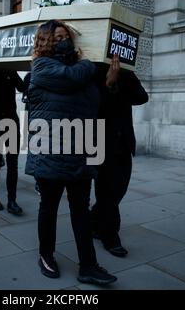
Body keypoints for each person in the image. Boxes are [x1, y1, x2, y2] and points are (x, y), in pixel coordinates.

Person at [25, 20, 117, 286]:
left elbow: (92, 104)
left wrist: (108, 82)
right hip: (51, 150)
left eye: (66, 36)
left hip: (80, 150)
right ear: (45, 41)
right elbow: (72, 78)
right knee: (49, 208)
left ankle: (88, 266)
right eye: (57, 37)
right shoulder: (42, 67)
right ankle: (46, 255)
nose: (63, 41)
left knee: (80, 211)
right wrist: (88, 61)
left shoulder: (81, 72)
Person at [90, 54, 149, 257]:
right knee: (107, 192)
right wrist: (109, 83)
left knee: (119, 190)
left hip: (123, 141)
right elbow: (93, 105)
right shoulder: (93, 69)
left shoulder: (125, 72)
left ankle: (94, 221)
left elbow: (142, 97)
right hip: (101, 143)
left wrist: (124, 74)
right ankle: (110, 237)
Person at [0, 69, 25, 215]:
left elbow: (22, 87)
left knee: (12, 163)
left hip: (10, 121)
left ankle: (12, 200)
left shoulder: (10, 71)